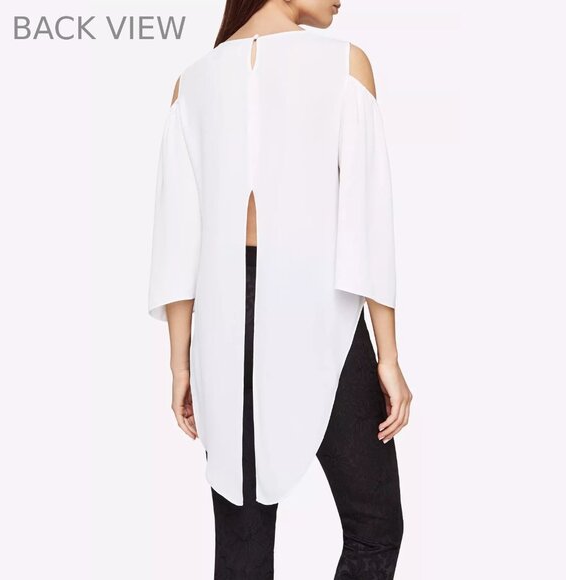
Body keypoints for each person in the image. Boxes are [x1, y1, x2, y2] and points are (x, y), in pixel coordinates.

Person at [148, 1, 413, 577]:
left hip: (221, 327)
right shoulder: (345, 64)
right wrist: (388, 358)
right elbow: (367, 222)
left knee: (242, 547)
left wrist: (180, 364)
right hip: (320, 314)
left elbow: (177, 241)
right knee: (374, 528)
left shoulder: (192, 84)